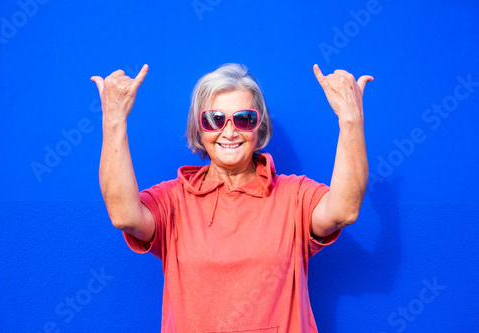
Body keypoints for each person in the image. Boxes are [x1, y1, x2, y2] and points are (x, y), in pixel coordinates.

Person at [91, 63, 373, 332]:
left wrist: (350, 118)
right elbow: (124, 215)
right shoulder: (173, 200)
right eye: (214, 119)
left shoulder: (293, 196)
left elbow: (343, 211)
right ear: (198, 130)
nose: (229, 131)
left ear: (259, 128)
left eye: (244, 119)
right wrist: (114, 120)